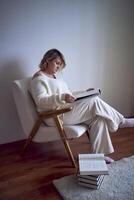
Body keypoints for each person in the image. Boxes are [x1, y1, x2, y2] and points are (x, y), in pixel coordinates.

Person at [29, 48, 134, 164]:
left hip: (65, 110)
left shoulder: (54, 78)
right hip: (55, 116)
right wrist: (62, 97)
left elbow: (69, 95)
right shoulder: (39, 79)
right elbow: (41, 101)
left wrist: (85, 92)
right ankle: (121, 121)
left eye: (60, 65)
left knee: (98, 118)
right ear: (47, 60)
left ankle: (98, 157)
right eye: (57, 63)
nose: (58, 67)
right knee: (94, 101)